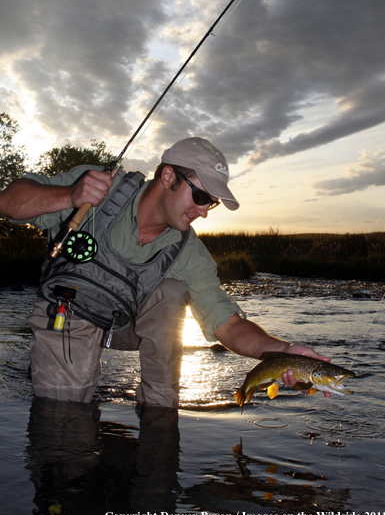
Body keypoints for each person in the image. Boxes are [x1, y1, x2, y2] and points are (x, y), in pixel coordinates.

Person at [0, 136, 331, 407]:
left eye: (211, 203)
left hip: (122, 324)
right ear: (168, 176)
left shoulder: (189, 251)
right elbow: (8, 203)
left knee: (172, 291)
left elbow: (227, 324)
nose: (203, 212)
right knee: (65, 421)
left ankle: (159, 415)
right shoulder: (100, 186)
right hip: (67, 313)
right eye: (201, 195)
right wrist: (70, 195)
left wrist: (283, 352)